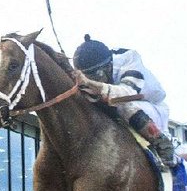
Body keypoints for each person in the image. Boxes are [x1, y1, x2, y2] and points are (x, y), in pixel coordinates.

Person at [72, 35, 177, 168]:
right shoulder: (103, 67)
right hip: (120, 105)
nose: (95, 81)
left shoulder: (129, 59)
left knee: (121, 103)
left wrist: (91, 84)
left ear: (108, 66)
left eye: (96, 76)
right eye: (88, 77)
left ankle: (162, 143)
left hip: (149, 108)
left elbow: (127, 94)